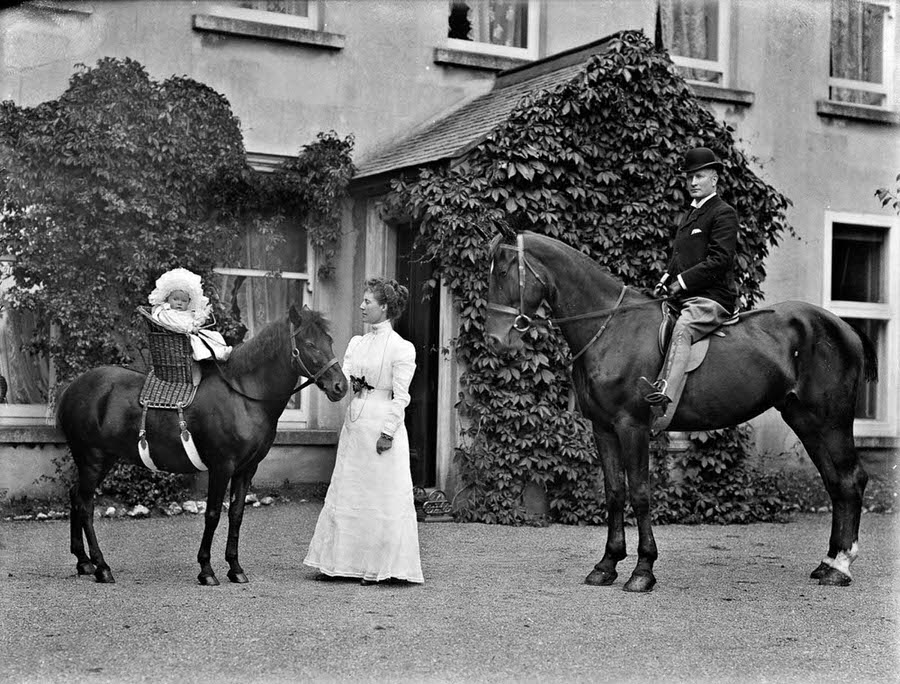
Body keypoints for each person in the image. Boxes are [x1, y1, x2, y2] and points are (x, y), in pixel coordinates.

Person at [304, 277, 423, 586]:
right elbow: (343, 376)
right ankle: (340, 564)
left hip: (382, 421)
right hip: (356, 421)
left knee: (379, 494)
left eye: (368, 301)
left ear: (385, 307)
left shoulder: (401, 348)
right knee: (350, 488)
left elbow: (401, 396)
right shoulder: (357, 342)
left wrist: (388, 432)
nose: (361, 306)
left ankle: (379, 566)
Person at [640, 147, 739, 433]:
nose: (693, 182)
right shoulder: (690, 216)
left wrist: (681, 281)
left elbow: (720, 260)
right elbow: (679, 258)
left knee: (683, 328)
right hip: (685, 296)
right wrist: (665, 278)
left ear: (714, 179)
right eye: (689, 178)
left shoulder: (723, 213)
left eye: (699, 176)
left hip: (712, 298)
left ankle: (663, 399)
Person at [148, 268, 232, 362]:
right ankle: (214, 354)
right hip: (178, 338)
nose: (179, 303)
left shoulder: (186, 313)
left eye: (184, 301)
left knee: (212, 335)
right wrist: (190, 328)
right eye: (176, 299)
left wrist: (203, 315)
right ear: (168, 299)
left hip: (189, 333)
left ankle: (221, 351)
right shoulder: (166, 312)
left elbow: (195, 321)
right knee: (197, 342)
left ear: (188, 303)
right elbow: (175, 324)